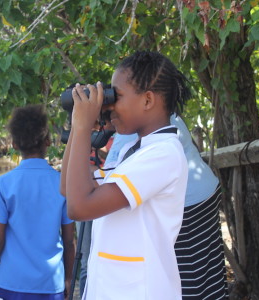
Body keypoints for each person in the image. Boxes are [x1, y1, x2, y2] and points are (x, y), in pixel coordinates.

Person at [61, 50, 189, 299]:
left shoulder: (163, 155)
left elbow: (79, 207)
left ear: (148, 100)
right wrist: (79, 129)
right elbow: (68, 188)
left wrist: (83, 125)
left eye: (115, 96)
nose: (108, 106)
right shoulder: (133, 150)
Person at [106, 114, 228, 299]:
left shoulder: (134, 127)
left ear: (146, 98)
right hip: (205, 192)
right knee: (207, 274)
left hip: (184, 206)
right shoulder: (167, 113)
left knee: (185, 282)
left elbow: (104, 184)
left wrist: (81, 130)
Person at [0, 104, 75, 300]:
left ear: (14, 144)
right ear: (48, 141)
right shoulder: (62, 184)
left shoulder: (3, 184)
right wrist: (68, 279)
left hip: (12, 281)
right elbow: (69, 241)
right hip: (50, 282)